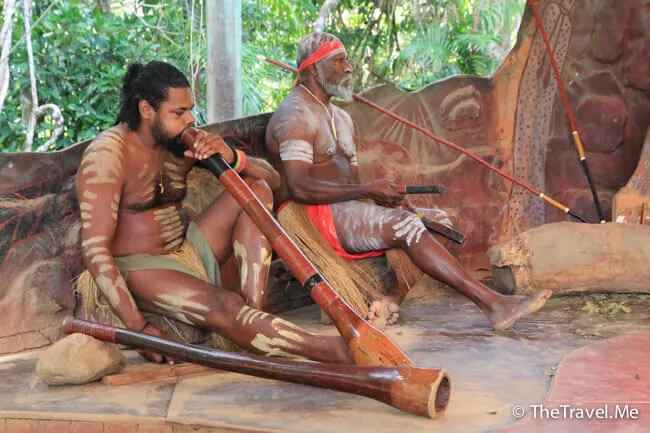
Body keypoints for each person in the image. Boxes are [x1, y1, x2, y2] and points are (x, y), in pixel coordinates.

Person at [265, 32, 552, 330]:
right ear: (313, 69)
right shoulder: (296, 114)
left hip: (345, 207)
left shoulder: (341, 117)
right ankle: (494, 304)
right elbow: (299, 187)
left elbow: (351, 182)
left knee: (438, 222)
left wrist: (383, 200)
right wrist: (368, 191)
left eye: (346, 60)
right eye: (339, 61)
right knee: (407, 225)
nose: (348, 67)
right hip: (313, 215)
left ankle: (389, 300)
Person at [75, 61, 352, 364]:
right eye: (179, 112)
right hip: (139, 266)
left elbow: (273, 181)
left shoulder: (178, 143)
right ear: (146, 110)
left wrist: (231, 155)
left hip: (186, 251)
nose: (190, 119)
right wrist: (139, 329)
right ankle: (337, 351)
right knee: (226, 306)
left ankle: (252, 316)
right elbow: (95, 249)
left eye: (190, 110)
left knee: (255, 189)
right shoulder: (108, 153)